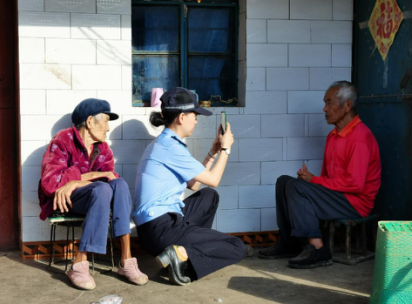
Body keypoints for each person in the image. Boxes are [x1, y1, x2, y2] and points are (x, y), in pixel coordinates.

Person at [259, 81, 381, 269]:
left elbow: (356, 184)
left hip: (355, 203)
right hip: (338, 196)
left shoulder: (359, 137)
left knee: (296, 187)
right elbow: (329, 178)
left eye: (329, 102)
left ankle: (318, 248)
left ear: (347, 105)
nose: (325, 109)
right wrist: (312, 180)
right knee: (284, 181)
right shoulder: (334, 135)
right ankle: (290, 242)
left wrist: (314, 181)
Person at [133, 87, 246, 285]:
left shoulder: (165, 143)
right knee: (236, 245)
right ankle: (183, 254)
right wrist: (226, 149)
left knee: (208, 196)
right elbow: (214, 179)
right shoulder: (171, 147)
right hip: (162, 229)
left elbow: (194, 185)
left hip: (156, 229)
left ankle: (184, 253)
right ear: (181, 117)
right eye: (195, 115)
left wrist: (212, 153)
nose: (196, 120)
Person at [38, 98, 148, 290]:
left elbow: (109, 176)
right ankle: (79, 264)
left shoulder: (102, 148)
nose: (108, 128)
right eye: (105, 121)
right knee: (102, 187)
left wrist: (77, 180)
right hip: (63, 201)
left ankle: (127, 260)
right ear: (90, 122)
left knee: (119, 184)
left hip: (95, 198)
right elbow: (50, 184)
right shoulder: (62, 140)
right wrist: (88, 177)